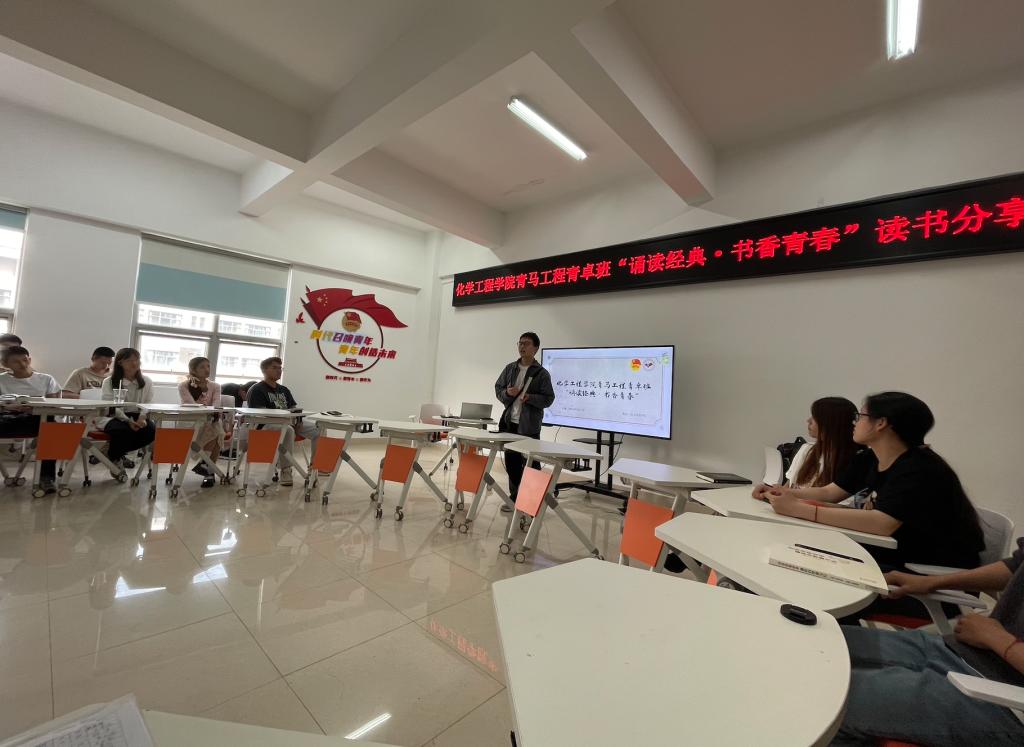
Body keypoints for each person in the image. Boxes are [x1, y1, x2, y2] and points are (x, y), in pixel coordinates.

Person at [758, 391, 983, 572]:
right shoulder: (869, 457)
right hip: (884, 553)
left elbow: (881, 523)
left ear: (881, 423)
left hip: (924, 568)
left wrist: (798, 509)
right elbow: (830, 493)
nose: (854, 423)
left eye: (861, 417)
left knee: (801, 564)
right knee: (791, 553)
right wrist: (779, 492)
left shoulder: (920, 468)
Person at [831, 546, 1024, 745]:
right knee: (821, 646)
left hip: (1007, 700)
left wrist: (998, 639)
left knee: (829, 699)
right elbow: (1016, 565)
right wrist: (930, 582)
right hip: (967, 651)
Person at [494, 332, 555, 512]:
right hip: (510, 423)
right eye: (520, 343)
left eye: (526, 343)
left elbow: (549, 398)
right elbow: (498, 389)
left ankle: (533, 500)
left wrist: (531, 397)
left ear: (535, 348)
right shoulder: (510, 368)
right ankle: (515, 498)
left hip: (529, 425)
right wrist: (507, 393)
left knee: (532, 464)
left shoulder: (541, 373)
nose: (522, 347)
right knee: (511, 462)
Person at [245, 357, 317, 487]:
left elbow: (293, 408)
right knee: (288, 430)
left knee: (318, 429)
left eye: (280, 368)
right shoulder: (257, 389)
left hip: (289, 422)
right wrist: (287, 420)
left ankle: (314, 467)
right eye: (274, 368)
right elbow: (260, 414)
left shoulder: (284, 390)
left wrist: (298, 419)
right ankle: (286, 470)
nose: (279, 370)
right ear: (264, 370)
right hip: (265, 425)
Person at [0, 346, 61, 493]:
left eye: (25, 360)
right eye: (16, 361)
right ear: (5, 364)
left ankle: (46, 478)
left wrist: (33, 408)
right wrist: (10, 407)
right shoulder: (1, 380)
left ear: (30, 359)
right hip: (7, 418)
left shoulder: (46, 379)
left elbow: (54, 405)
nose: (22, 364)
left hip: (36, 419)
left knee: (51, 427)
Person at [99, 348, 155, 477]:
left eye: (137, 360)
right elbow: (110, 406)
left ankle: (112, 453)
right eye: (129, 360)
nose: (134, 363)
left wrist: (142, 418)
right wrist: (127, 420)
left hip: (137, 415)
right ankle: (116, 458)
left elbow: (148, 403)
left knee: (151, 431)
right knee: (122, 430)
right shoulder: (109, 381)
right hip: (114, 416)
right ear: (120, 363)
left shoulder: (147, 381)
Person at [178, 356, 224, 488]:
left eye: (208, 366)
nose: (207, 369)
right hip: (191, 422)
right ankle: (208, 469)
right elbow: (191, 405)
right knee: (217, 430)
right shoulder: (184, 385)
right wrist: (208, 412)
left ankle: (206, 467)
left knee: (216, 428)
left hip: (210, 420)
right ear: (193, 370)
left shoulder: (215, 386)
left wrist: (211, 413)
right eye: (202, 367)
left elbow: (216, 404)